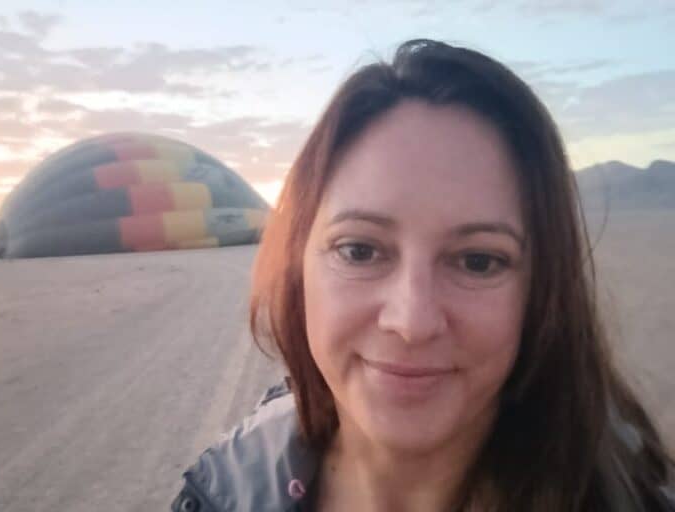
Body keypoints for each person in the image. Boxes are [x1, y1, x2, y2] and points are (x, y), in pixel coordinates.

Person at [171, 40, 674, 511]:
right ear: (297, 264)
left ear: (542, 292)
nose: (412, 322)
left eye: (478, 261)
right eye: (360, 251)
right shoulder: (225, 491)